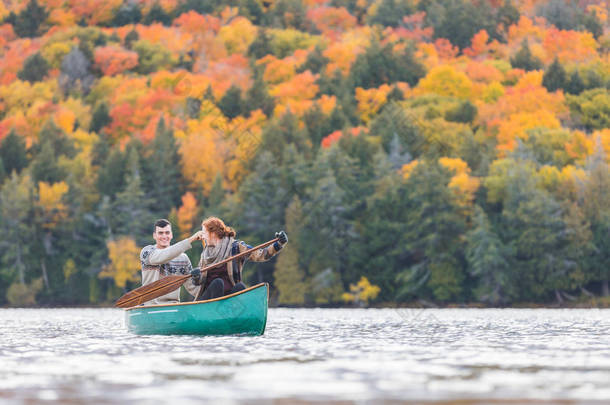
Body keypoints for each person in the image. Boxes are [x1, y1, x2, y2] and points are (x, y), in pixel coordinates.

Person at [193, 217, 288, 300]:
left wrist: (279, 244)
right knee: (218, 283)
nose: (202, 236)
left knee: (240, 287)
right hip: (209, 300)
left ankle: (238, 315)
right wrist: (196, 277)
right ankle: (215, 315)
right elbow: (199, 282)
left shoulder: (236, 247)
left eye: (204, 233)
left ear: (213, 233)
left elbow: (261, 255)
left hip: (227, 298)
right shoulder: (205, 254)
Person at [140, 218, 204, 305]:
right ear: (154, 235)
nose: (164, 236)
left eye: (167, 233)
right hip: (150, 306)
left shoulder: (183, 258)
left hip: (173, 306)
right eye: (160, 233)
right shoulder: (147, 252)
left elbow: (193, 288)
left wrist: (198, 281)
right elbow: (164, 256)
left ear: (171, 235)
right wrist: (191, 239)